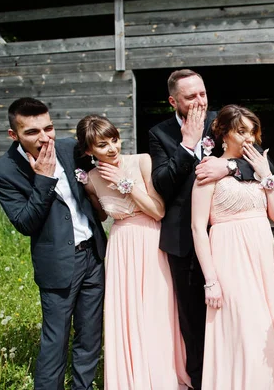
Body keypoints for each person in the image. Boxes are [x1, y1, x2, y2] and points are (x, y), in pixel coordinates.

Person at [148, 69, 271, 389]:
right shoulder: (159, 133)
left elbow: (253, 160)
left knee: (238, 316)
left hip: (228, 241)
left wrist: (228, 166)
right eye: (191, 97)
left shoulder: (222, 121)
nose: (200, 101)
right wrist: (187, 146)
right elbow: (162, 185)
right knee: (193, 321)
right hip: (184, 239)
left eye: (202, 94)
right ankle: (202, 381)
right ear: (174, 101)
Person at [0, 98, 107, 390]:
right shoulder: (3, 171)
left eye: (48, 128)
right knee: (55, 340)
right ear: (13, 135)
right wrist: (43, 179)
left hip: (93, 253)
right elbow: (25, 224)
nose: (44, 138)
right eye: (32, 132)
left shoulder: (69, 148)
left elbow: (107, 156)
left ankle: (83, 386)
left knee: (90, 335)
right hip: (59, 263)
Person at [76, 115, 190, 389]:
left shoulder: (141, 161)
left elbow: (158, 210)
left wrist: (124, 183)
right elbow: (102, 214)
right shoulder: (91, 178)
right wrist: (87, 189)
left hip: (149, 239)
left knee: (155, 308)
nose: (112, 148)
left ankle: (163, 374)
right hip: (121, 244)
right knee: (126, 312)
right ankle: (131, 376)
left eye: (114, 140)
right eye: (102, 145)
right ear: (89, 151)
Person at [191, 105, 274, 389]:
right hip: (230, 259)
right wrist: (211, 281)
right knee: (243, 329)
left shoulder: (259, 168)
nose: (249, 138)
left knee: (266, 329)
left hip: (262, 257)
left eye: (252, 132)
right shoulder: (208, 171)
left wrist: (266, 176)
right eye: (241, 132)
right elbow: (198, 229)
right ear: (223, 133)